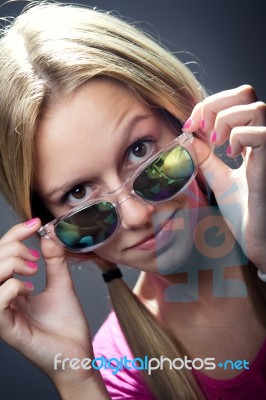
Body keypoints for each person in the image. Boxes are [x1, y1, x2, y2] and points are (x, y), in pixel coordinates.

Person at [0, 3, 265, 399]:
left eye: (139, 150)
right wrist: (76, 380)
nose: (138, 215)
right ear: (49, 226)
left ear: (183, 117)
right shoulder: (116, 374)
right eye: (78, 194)